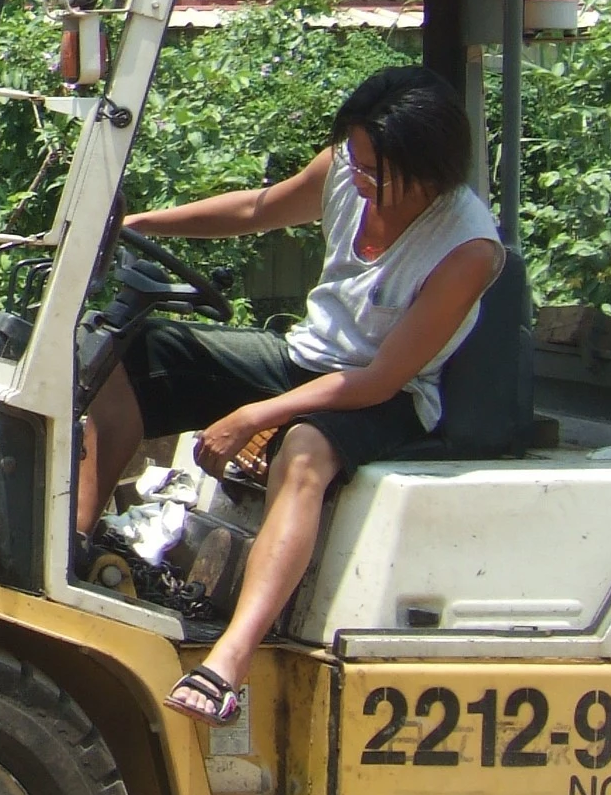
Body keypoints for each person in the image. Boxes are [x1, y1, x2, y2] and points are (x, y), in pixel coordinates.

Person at [76, 69, 501, 727]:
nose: (358, 180)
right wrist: (139, 223)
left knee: (303, 450)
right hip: (305, 360)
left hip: (386, 394)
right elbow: (257, 209)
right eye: (354, 162)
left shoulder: (467, 246)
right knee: (130, 351)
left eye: (375, 171)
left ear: (429, 171)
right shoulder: (346, 169)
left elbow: (380, 379)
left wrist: (258, 415)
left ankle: (227, 665)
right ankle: (75, 552)